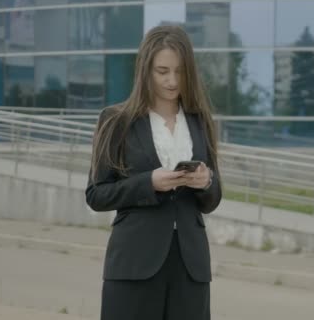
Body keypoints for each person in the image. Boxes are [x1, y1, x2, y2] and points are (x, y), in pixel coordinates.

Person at [85, 25, 221, 320]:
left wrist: (206, 181)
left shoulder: (200, 121)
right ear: (145, 70)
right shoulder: (116, 120)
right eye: (162, 71)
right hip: (134, 264)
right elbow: (96, 194)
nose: (172, 81)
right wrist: (149, 183)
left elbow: (213, 198)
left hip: (190, 268)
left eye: (180, 71)